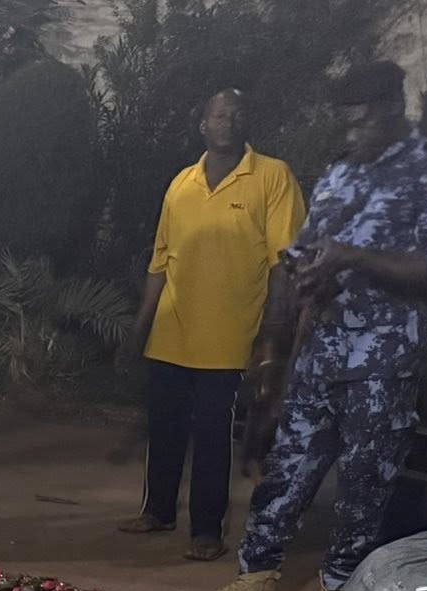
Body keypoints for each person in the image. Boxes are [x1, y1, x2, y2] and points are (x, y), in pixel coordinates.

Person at [192, 62, 427, 591]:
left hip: (383, 358)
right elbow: (302, 256)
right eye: (345, 123)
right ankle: (256, 577)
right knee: (289, 466)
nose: (351, 134)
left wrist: (354, 259)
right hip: (322, 351)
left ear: (393, 108)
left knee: (364, 481)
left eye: (361, 122)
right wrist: (279, 337)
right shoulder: (340, 173)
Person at [120, 90, 305, 561]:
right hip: (171, 331)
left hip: (229, 337)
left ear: (248, 123)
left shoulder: (272, 177)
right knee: (163, 429)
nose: (228, 120)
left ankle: (207, 530)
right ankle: (157, 511)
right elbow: (159, 261)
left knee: (212, 438)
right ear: (202, 124)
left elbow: (285, 262)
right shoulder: (182, 182)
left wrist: (273, 334)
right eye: (218, 114)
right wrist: (142, 325)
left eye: (237, 113)